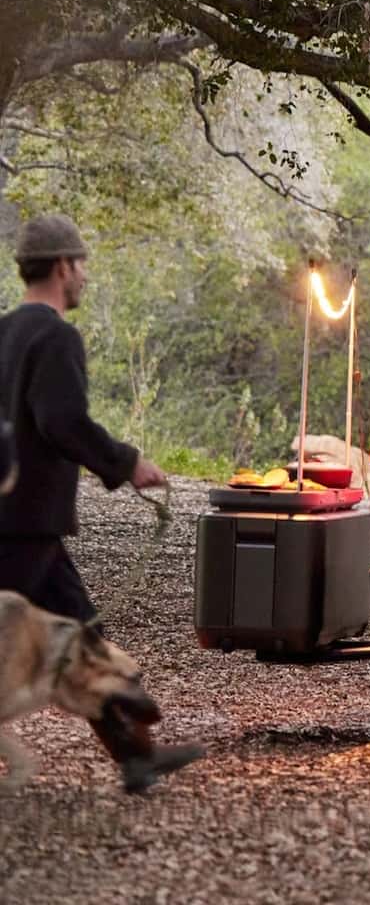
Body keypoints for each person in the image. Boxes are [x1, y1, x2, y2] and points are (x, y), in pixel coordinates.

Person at [0, 214, 204, 793]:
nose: (85, 275)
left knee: (83, 634)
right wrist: (126, 463)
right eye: (82, 265)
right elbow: (62, 420)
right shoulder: (55, 336)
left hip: (24, 524)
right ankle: (133, 750)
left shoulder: (3, 332)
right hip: (25, 523)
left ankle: (135, 754)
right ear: (63, 266)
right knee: (71, 638)